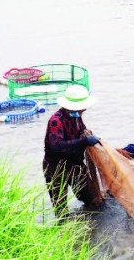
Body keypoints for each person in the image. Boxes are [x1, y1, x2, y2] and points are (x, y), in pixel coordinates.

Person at [43, 85, 101, 219]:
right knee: (61, 209)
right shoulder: (56, 121)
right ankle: (64, 234)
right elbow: (57, 145)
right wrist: (84, 141)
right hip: (55, 169)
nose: (83, 111)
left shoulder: (76, 116)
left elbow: (81, 130)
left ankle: (90, 230)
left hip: (75, 165)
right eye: (81, 108)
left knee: (91, 200)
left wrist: (85, 134)